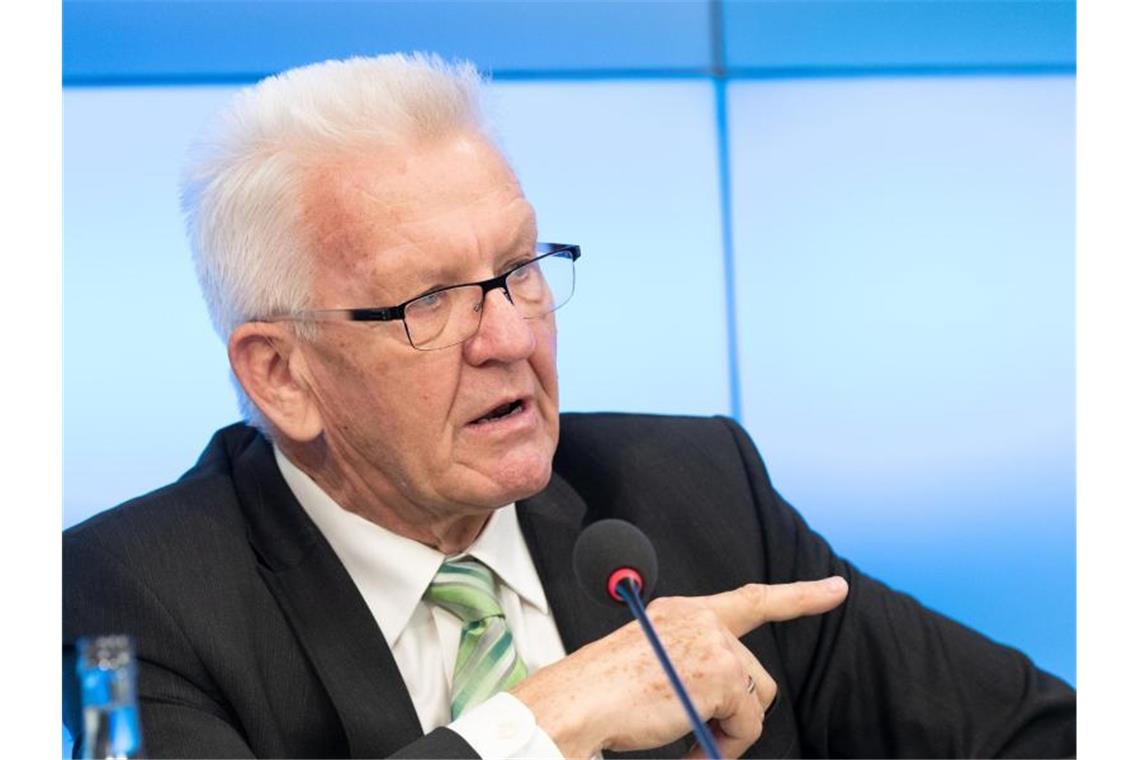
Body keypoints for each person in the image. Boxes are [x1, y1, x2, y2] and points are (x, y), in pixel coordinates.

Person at [63, 53, 1075, 758]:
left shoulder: (697, 489)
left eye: (520, 270)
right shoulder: (120, 597)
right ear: (281, 372)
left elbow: (1041, 733)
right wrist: (543, 724)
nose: (509, 336)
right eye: (426, 301)